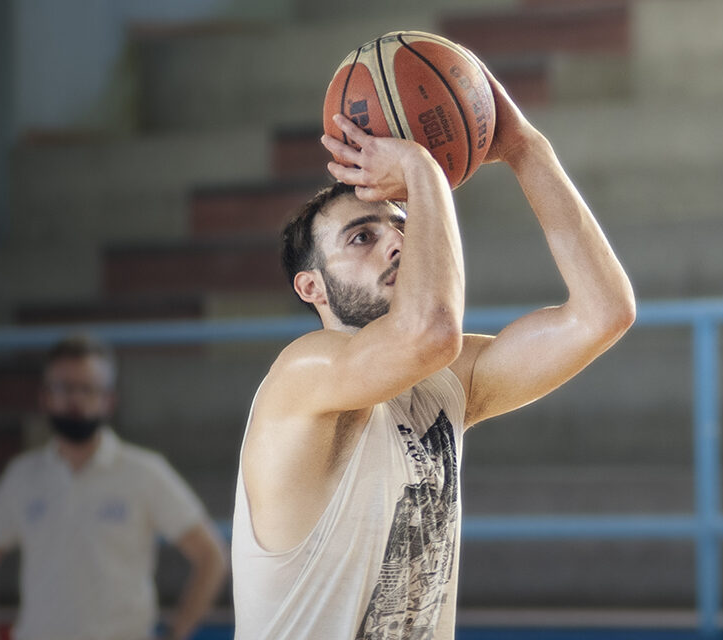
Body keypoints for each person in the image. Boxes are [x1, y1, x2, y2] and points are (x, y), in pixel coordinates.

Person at [231, 60, 635, 640]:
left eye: (400, 225)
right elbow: (431, 333)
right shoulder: (304, 372)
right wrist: (422, 169)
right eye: (361, 237)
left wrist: (525, 147)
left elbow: (604, 313)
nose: (395, 241)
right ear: (310, 286)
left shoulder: (448, 380)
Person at [0, 334, 228, 640]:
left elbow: (211, 556)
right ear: (44, 397)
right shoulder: (23, 476)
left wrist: (176, 633)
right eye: (63, 388)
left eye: (87, 388)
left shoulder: (144, 472)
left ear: (109, 399)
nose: (74, 399)